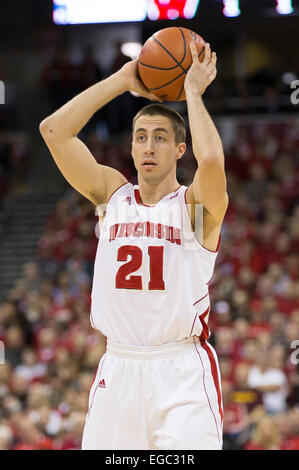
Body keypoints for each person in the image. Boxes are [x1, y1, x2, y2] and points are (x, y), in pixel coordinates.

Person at [39, 41, 228, 450]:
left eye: (160, 138)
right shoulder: (112, 196)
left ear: (180, 149)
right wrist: (122, 80)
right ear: (130, 147)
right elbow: (53, 130)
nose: (148, 146)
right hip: (118, 367)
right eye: (140, 137)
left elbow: (212, 163)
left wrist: (192, 92)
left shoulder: (193, 207)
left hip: (179, 369)